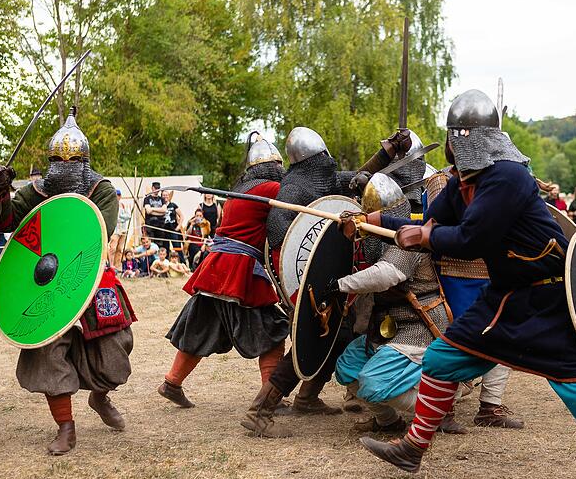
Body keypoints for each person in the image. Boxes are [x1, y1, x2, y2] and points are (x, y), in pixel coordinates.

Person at [347, 90, 576, 479]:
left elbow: (472, 239)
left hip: (549, 298)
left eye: (453, 136)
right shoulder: (460, 182)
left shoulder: (508, 176)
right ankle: (413, 450)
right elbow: (428, 226)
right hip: (503, 298)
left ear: (462, 138)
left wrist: (424, 237)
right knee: (440, 361)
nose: (450, 144)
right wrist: (367, 220)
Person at [0, 109, 136, 455]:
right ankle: (66, 426)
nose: (64, 169)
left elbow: (99, 231)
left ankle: (100, 396)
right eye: (58, 162)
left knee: (116, 346)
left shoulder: (101, 190)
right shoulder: (36, 191)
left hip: (89, 276)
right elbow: (4, 221)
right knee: (47, 348)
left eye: (71, 162)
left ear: (83, 162)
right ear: (51, 161)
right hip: (43, 280)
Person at [242, 125, 410, 436]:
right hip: (307, 283)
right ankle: (260, 411)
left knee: (338, 340)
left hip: (326, 279)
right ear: (317, 157)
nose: (328, 163)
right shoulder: (292, 190)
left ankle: (307, 397)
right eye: (323, 157)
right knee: (314, 336)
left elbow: (355, 178)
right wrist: (305, 282)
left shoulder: (318, 179)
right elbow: (284, 240)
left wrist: (387, 152)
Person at [158, 135, 288, 409]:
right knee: (273, 332)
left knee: (200, 328)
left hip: (215, 266)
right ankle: (269, 396)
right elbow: (302, 193)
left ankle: (172, 382)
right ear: (274, 166)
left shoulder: (239, 190)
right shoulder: (270, 188)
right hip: (237, 270)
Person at [332, 174, 465, 436]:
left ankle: (437, 408)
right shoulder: (377, 237)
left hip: (419, 329)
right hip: (386, 328)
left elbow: (386, 275)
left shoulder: (410, 238)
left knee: (373, 383)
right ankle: (388, 421)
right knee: (347, 368)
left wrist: (340, 285)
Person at [424, 168, 524, 429]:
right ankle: (445, 410)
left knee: (501, 336)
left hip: (492, 272)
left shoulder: (494, 179)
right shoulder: (442, 181)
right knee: (455, 340)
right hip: (454, 273)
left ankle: (490, 406)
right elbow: (435, 226)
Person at [108, 189, 131, 270]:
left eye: (118, 195)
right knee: (112, 248)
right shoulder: (111, 205)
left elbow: (128, 216)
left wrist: (121, 217)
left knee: (120, 249)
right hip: (115, 230)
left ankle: (117, 265)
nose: (117, 197)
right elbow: (114, 218)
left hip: (123, 230)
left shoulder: (123, 205)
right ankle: (111, 265)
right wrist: (122, 217)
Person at [162, 190, 185, 262]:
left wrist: (179, 226)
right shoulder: (161, 206)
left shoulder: (173, 205)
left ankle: (182, 262)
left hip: (173, 229)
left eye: (166, 195)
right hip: (164, 230)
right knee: (165, 248)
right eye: (163, 195)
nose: (165, 196)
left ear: (169, 196)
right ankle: (166, 264)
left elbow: (181, 216)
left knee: (177, 247)